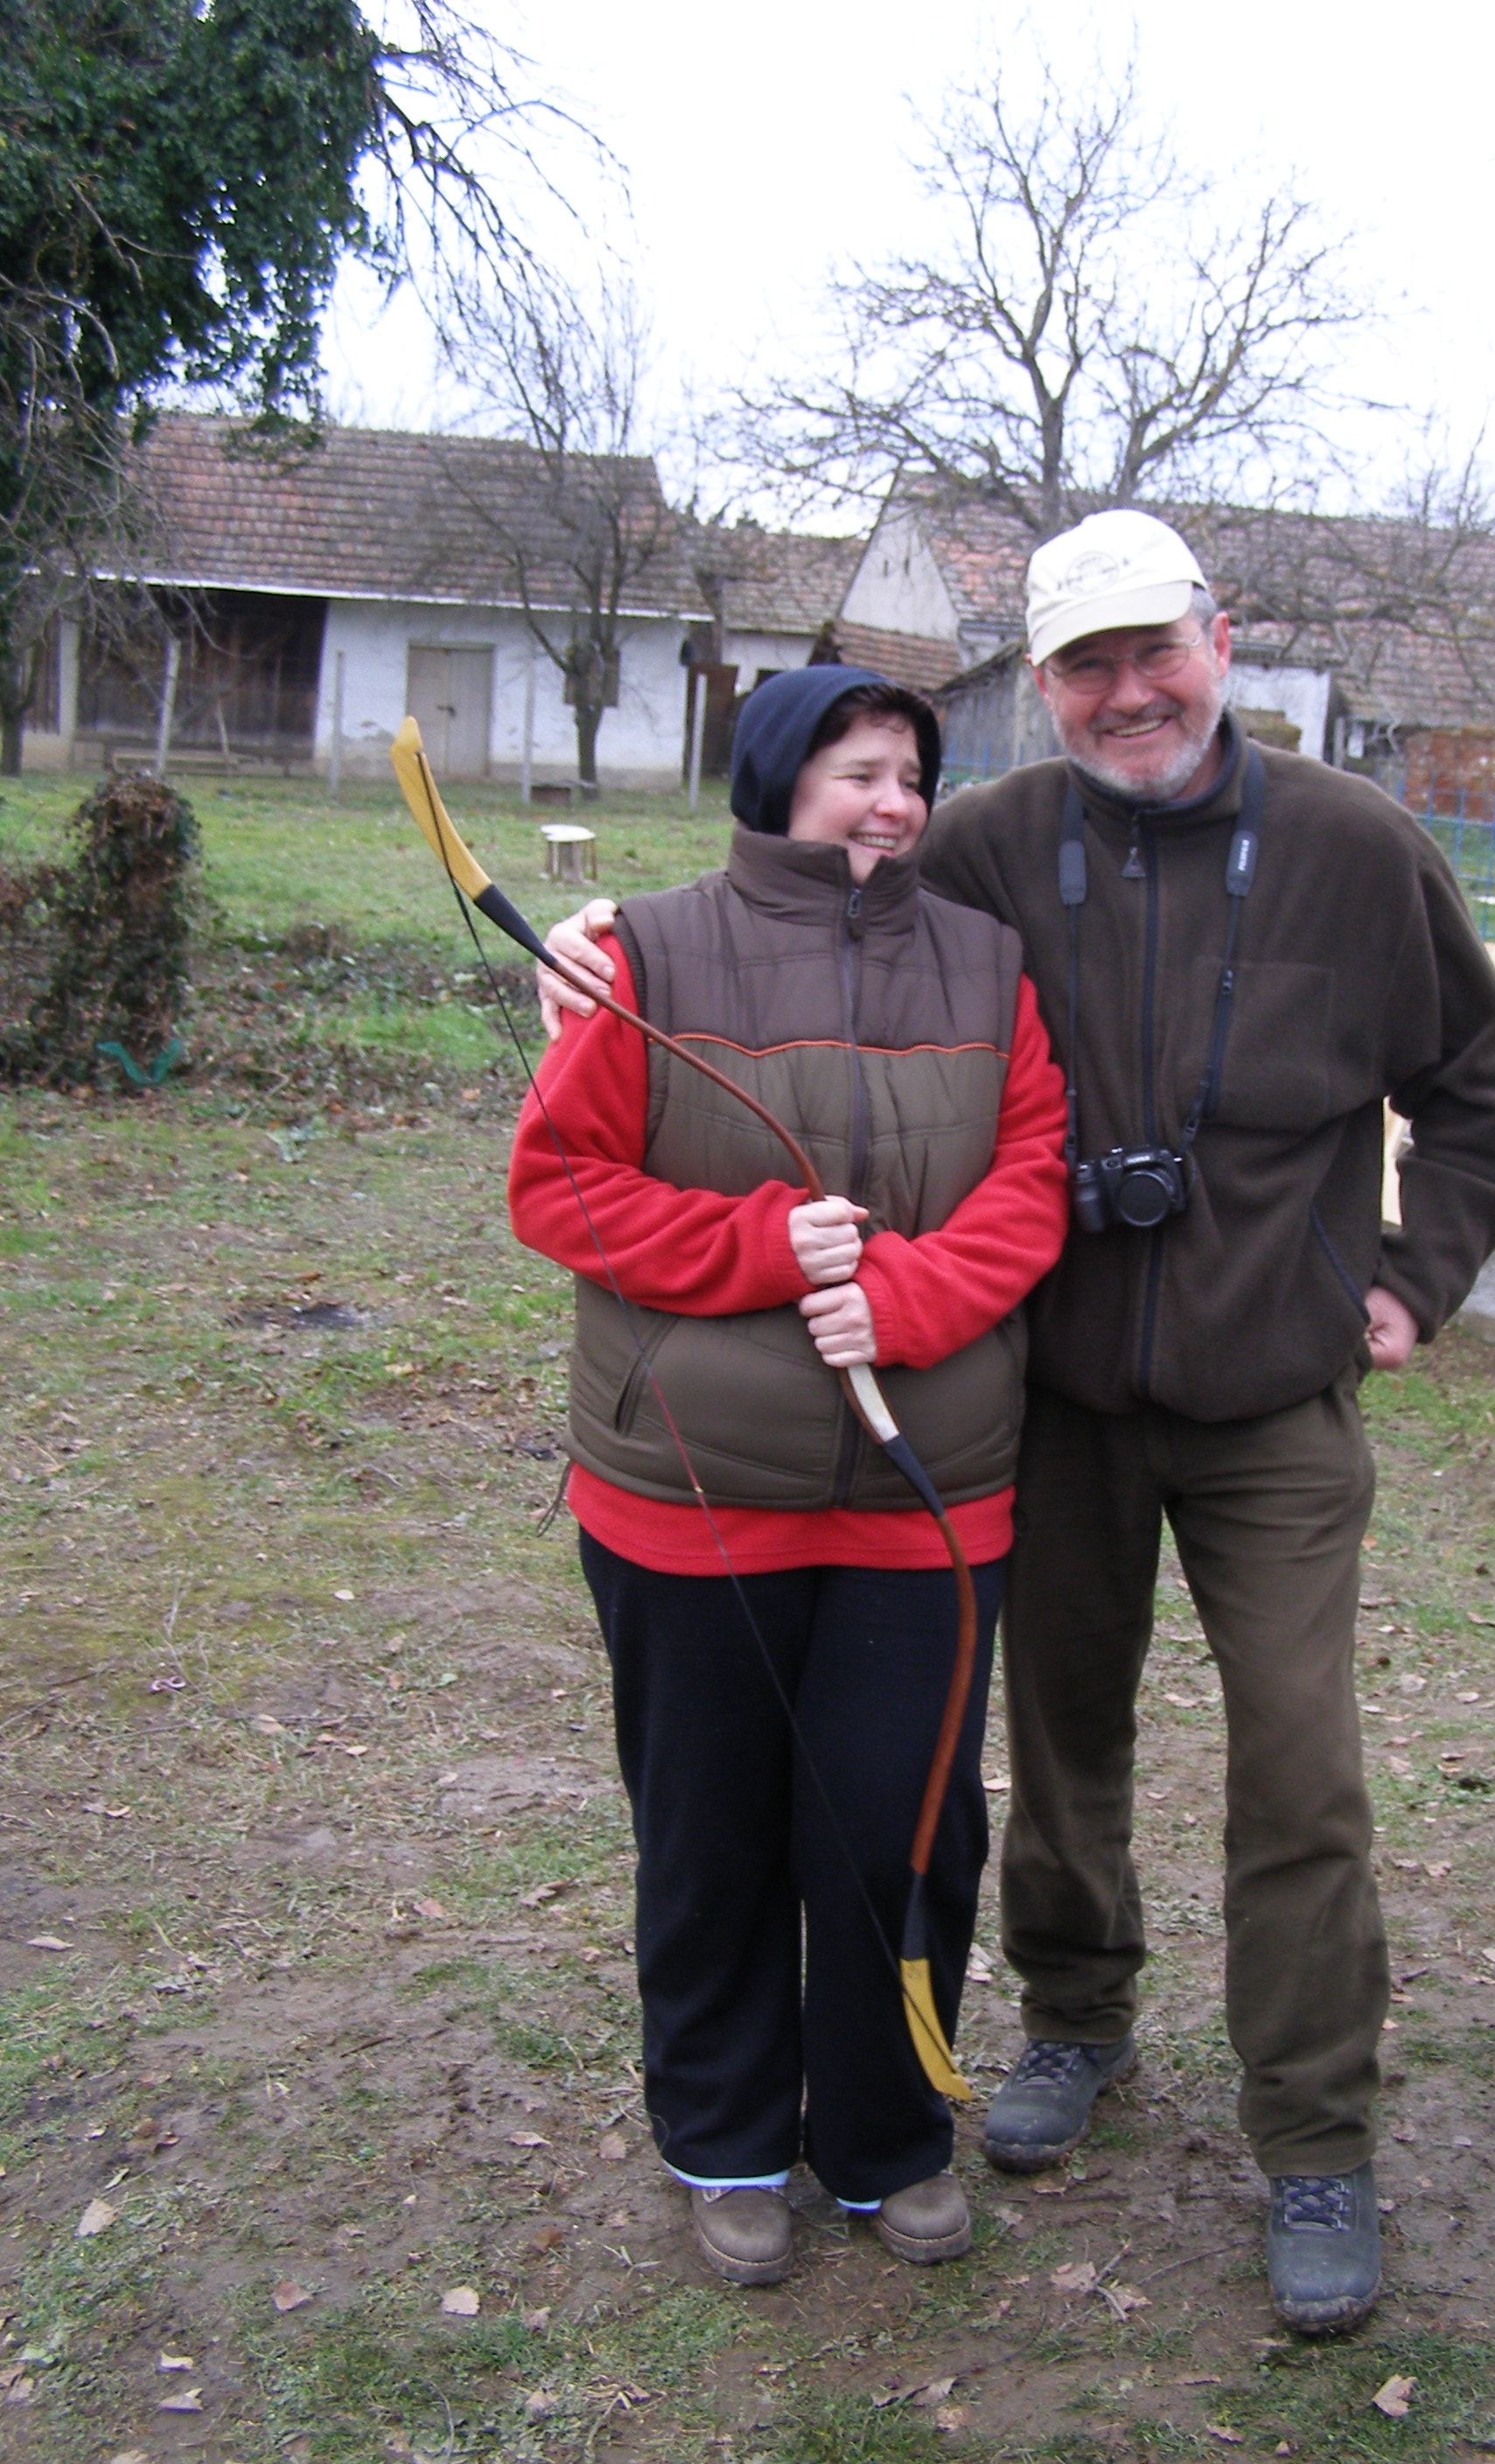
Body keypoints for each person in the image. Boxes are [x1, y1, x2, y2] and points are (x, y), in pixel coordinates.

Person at [541, 513, 1495, 2333]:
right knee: (1063, 1751)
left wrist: (1418, 1272)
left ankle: (1315, 2134)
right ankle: (1076, 2019)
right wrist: (597, 940)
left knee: (1300, 1767)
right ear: (1045, 685)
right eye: (1085, 664)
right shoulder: (990, 838)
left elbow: (1480, 1075)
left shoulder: (1354, 848)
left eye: (1155, 650)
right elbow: (795, 886)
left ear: (1220, 639)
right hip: (1054, 1399)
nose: (1127, 691)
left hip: (1272, 1401)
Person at [507, 664, 1066, 2289]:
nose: (891, 803)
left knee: (903, 1836)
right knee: (715, 1838)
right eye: (854, 772)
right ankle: (729, 2143)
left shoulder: (989, 964)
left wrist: (907, 1298)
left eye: (909, 775)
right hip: (693, 1502)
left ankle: (889, 2140)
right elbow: (560, 1183)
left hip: (925, 1488)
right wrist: (763, 1245)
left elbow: (1032, 1176)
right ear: (775, 782)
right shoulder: (646, 955)